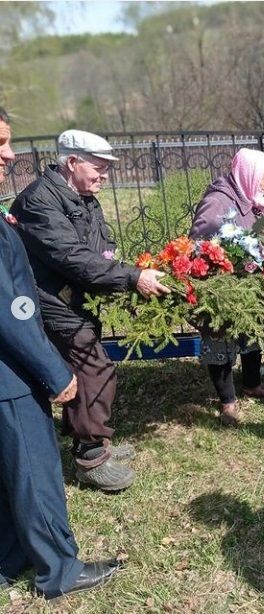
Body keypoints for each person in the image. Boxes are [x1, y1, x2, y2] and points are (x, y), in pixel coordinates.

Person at [0, 107, 119, 599]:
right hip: (9, 373)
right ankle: (60, 571)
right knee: (33, 468)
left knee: (8, 474)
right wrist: (52, 369)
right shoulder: (40, 201)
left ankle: (10, 558)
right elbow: (9, 308)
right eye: (0, 143)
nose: (8, 154)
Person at [10, 129, 170, 491]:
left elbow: (100, 248)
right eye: (98, 167)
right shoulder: (40, 202)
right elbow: (74, 258)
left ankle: (90, 441)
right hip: (53, 302)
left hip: (77, 298)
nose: (104, 176)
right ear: (71, 162)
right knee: (96, 370)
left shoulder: (83, 197)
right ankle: (90, 458)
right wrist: (132, 278)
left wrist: (122, 270)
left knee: (82, 371)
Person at [189, 148, 264, 426]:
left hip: (248, 285)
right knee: (220, 340)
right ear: (247, 175)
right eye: (263, 180)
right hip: (222, 288)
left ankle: (252, 384)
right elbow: (198, 244)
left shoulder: (251, 199)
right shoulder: (218, 202)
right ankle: (228, 401)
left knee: (251, 333)